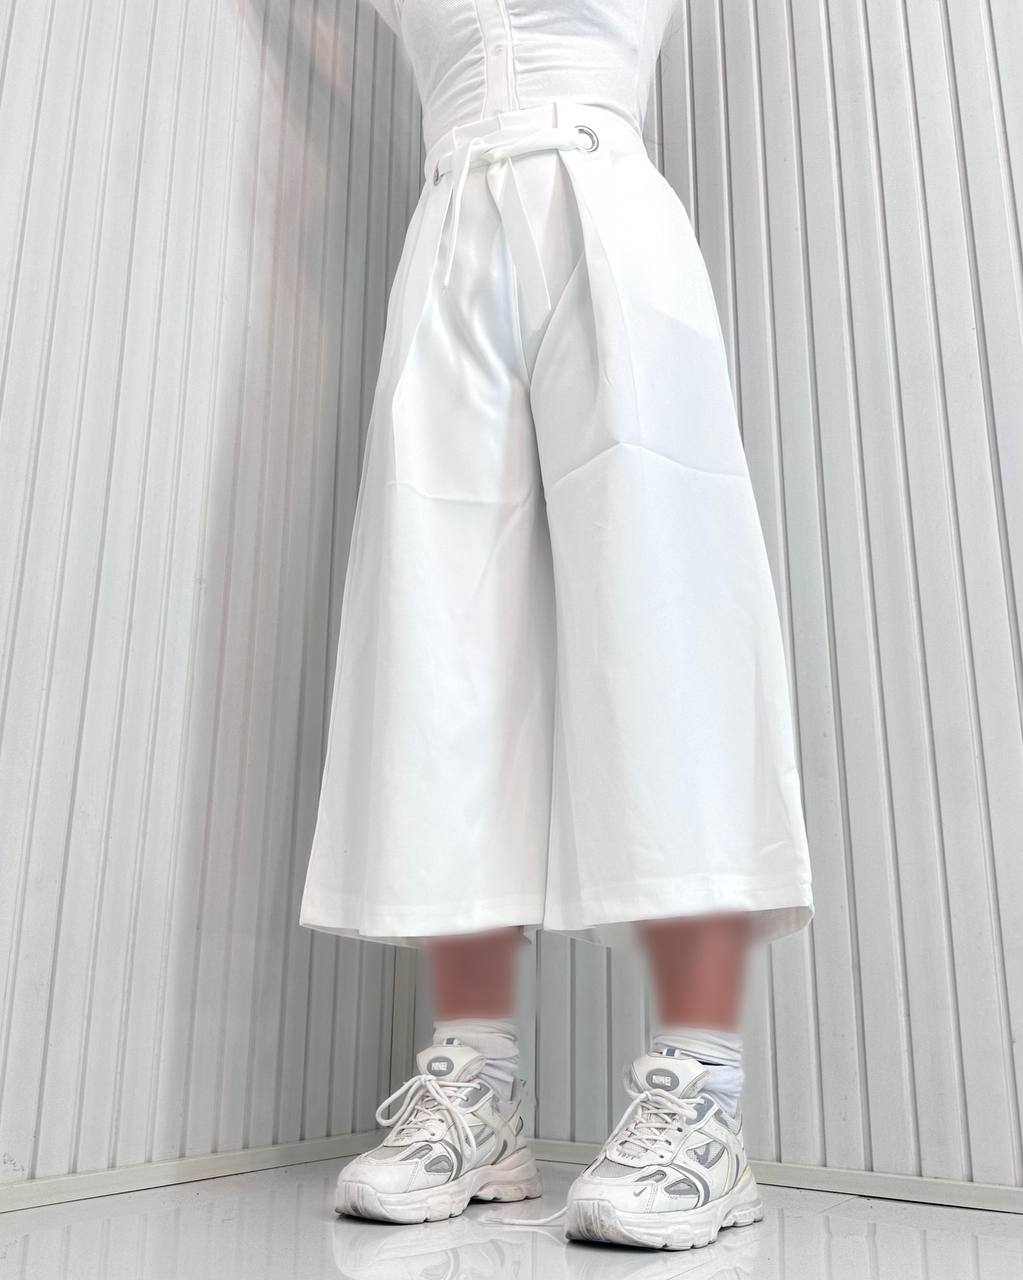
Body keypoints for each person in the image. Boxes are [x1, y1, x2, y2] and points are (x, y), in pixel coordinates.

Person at [300, 0, 813, 1251]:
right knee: (441, 641)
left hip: (607, 203)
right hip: (447, 223)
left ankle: (703, 1093)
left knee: (665, 613)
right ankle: (475, 1087)